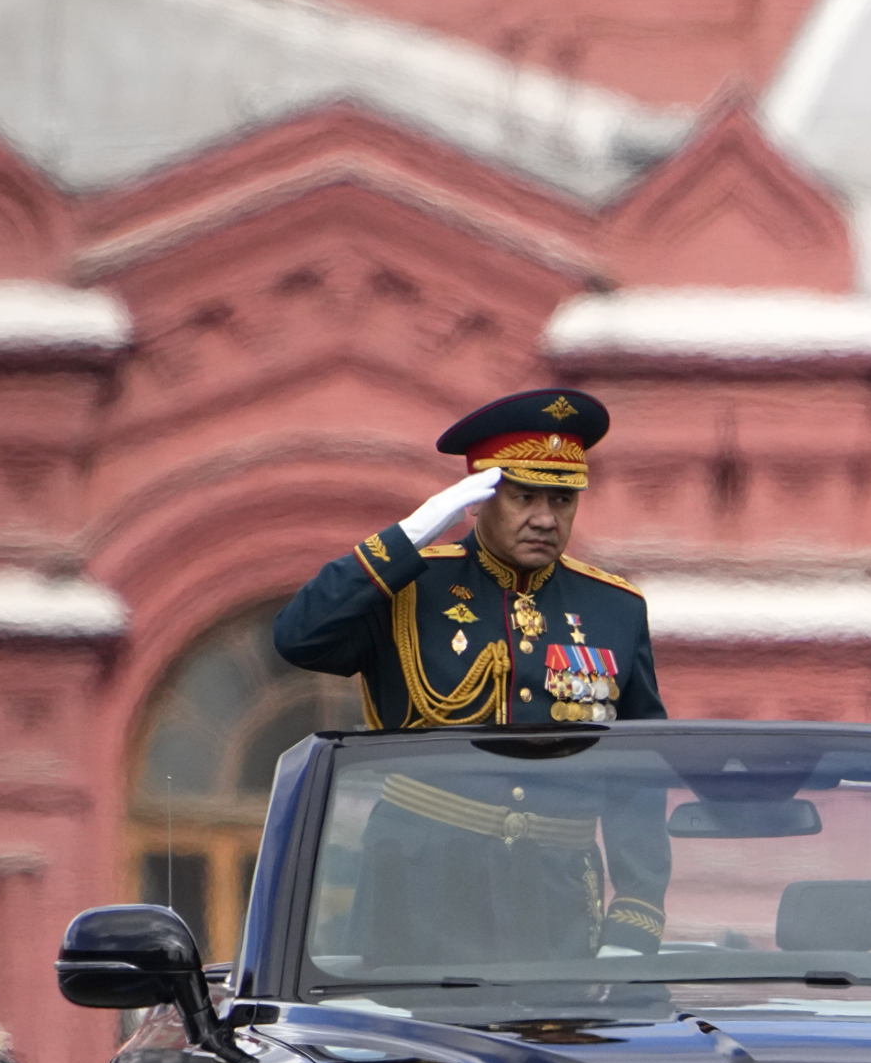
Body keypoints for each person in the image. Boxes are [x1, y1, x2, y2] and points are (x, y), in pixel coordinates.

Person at [273, 388, 669, 961]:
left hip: (555, 898)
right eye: (524, 496)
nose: (545, 518)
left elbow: (639, 771)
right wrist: (407, 537)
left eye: (562, 500)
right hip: (419, 890)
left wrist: (636, 917)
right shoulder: (409, 586)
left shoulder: (614, 608)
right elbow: (297, 637)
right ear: (478, 500)